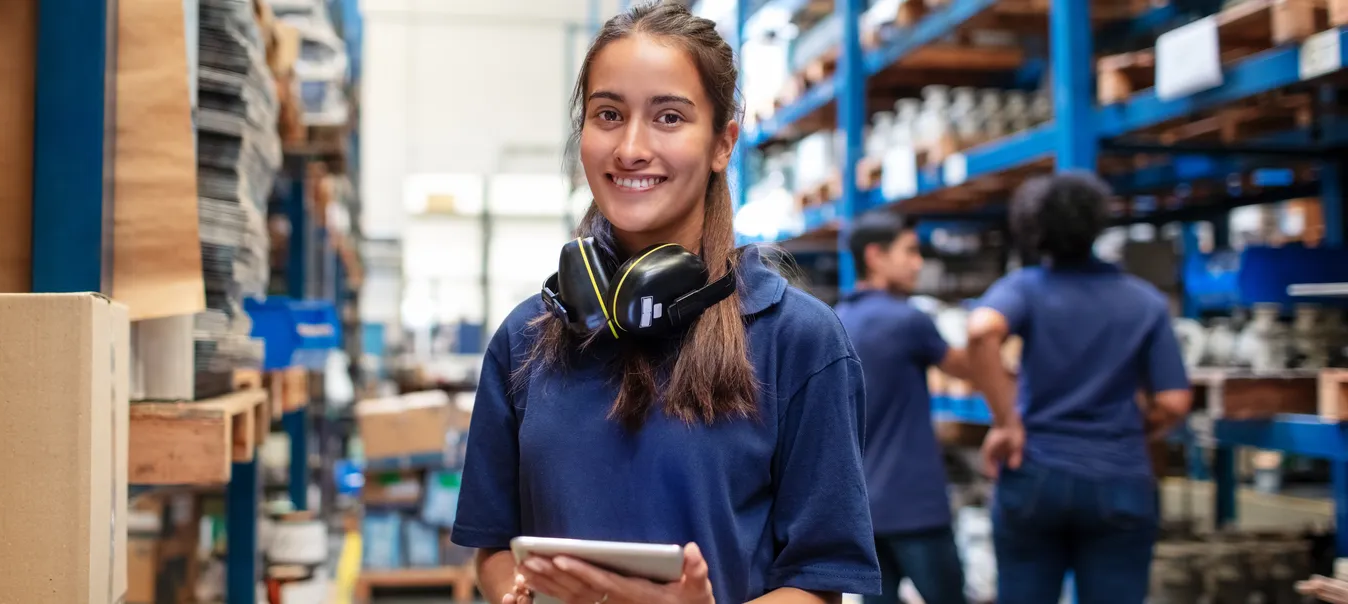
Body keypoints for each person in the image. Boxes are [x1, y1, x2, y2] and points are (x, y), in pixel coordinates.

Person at [450, 3, 882, 604]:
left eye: (669, 117)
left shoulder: (799, 341)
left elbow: (820, 580)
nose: (630, 148)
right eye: (608, 114)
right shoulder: (526, 337)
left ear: (723, 143)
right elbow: (493, 545)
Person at [966, 172, 1191, 603]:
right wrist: (1135, 430)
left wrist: (1007, 422)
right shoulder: (1143, 300)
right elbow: (1174, 400)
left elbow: (980, 332)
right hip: (1118, 478)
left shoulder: (1026, 288)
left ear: (1035, 228)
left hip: (1034, 473)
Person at [835, 212, 971, 604]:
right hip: (916, 507)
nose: (918, 263)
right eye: (910, 251)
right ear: (875, 256)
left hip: (863, 512)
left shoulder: (835, 321)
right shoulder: (909, 320)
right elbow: (963, 367)